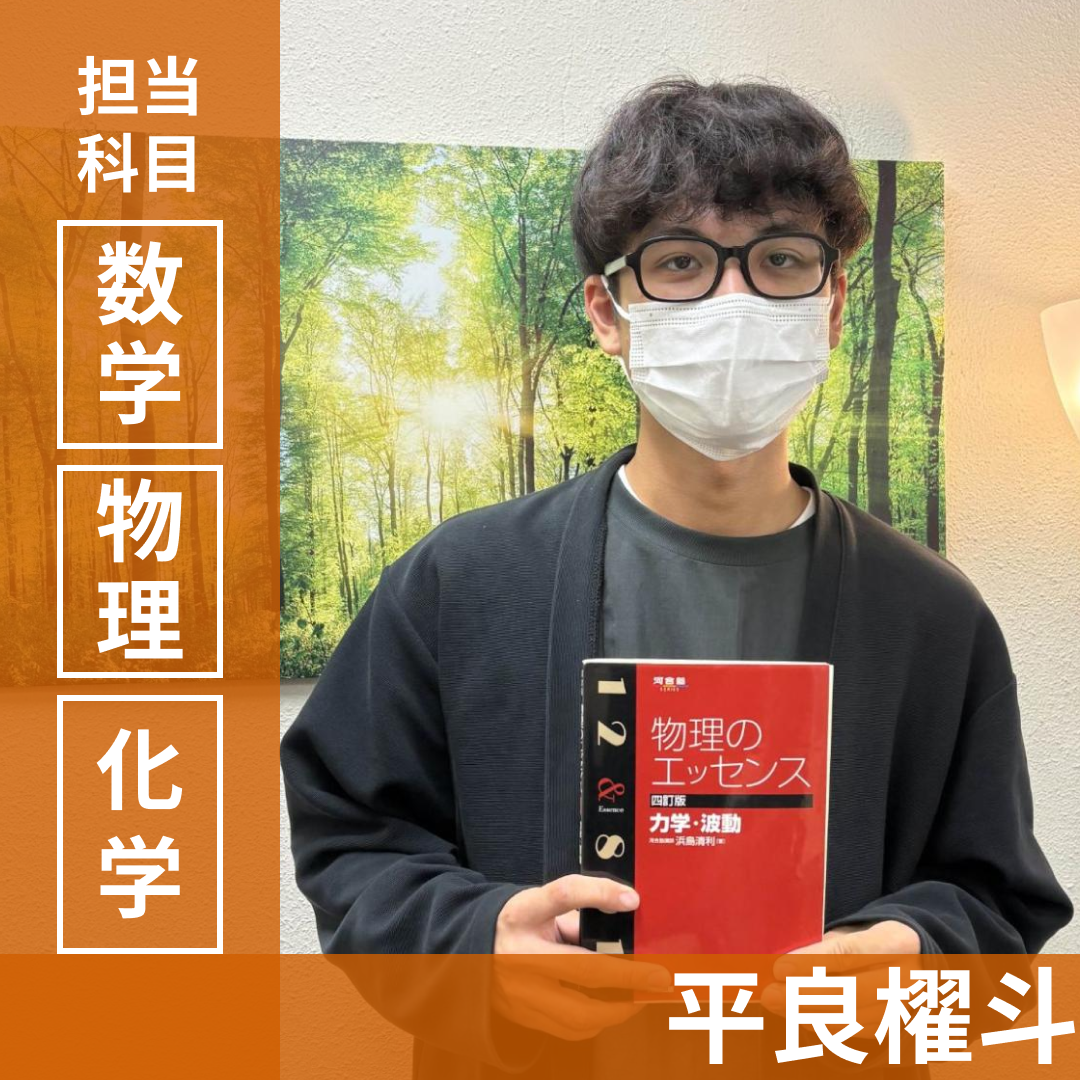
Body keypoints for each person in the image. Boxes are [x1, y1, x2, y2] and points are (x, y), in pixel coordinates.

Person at [280, 77, 1073, 1073]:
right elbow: (353, 835)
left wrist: (908, 948)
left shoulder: (930, 613)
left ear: (831, 306)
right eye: (682, 262)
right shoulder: (459, 581)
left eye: (781, 259)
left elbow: (997, 892)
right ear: (608, 312)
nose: (734, 303)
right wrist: (481, 940)